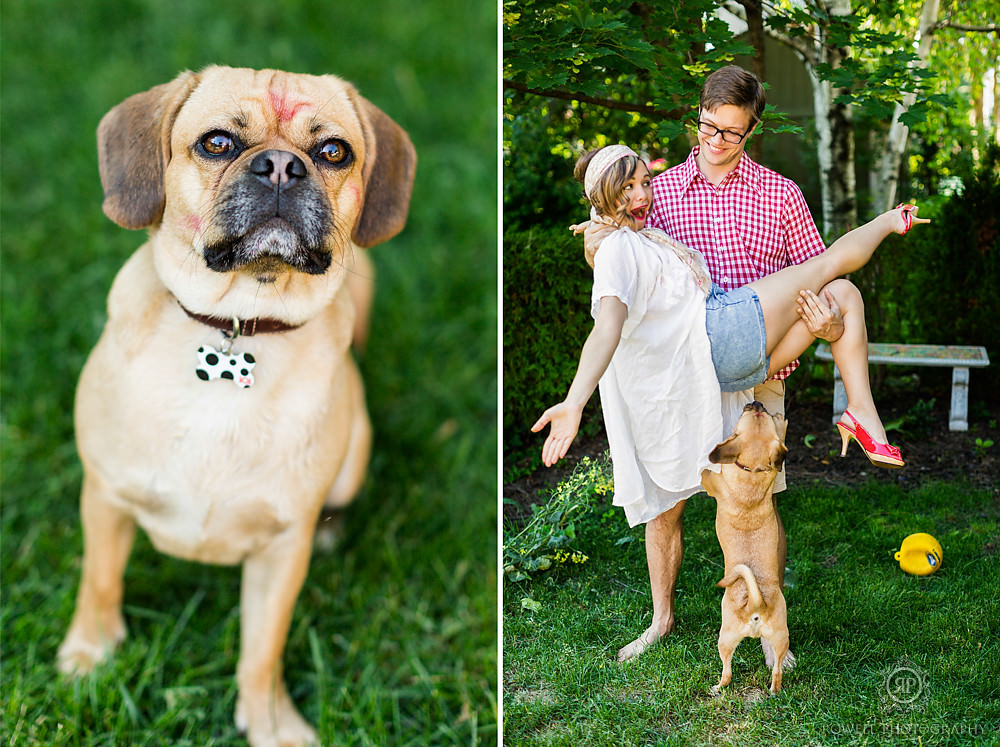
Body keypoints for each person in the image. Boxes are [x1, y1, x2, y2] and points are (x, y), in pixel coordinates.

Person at [532, 145, 925, 661]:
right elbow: (607, 326)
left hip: (719, 364)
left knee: (843, 297)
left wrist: (603, 223)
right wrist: (574, 399)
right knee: (828, 265)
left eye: (643, 184)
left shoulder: (632, 237)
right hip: (720, 331)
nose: (642, 196)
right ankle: (889, 221)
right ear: (603, 198)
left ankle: (860, 413)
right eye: (625, 190)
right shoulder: (617, 252)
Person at [632, 63, 841, 661]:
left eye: (730, 132)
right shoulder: (660, 191)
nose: (715, 141)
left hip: (758, 379)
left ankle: (771, 619)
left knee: (757, 512)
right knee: (666, 502)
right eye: (707, 126)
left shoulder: (780, 195)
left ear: (752, 130)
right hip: (681, 376)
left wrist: (825, 323)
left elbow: (818, 279)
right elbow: (621, 257)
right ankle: (662, 619)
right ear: (697, 114)